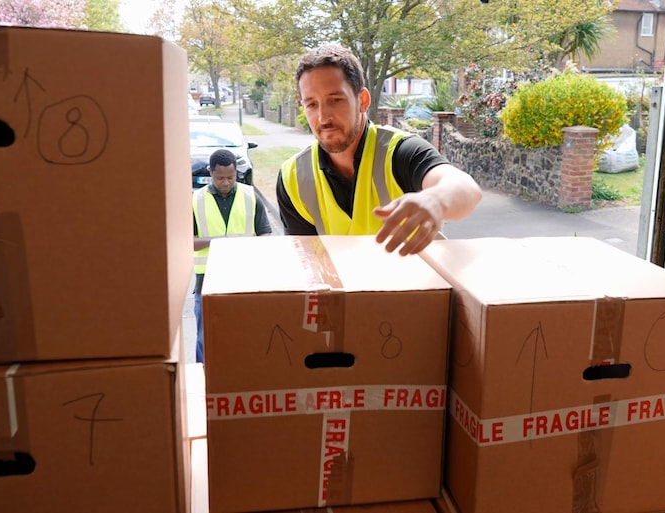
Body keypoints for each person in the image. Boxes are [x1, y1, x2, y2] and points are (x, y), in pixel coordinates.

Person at [276, 44, 482, 256]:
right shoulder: (293, 177)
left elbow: (466, 188)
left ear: (363, 100)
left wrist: (436, 200)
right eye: (311, 104)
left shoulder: (400, 151)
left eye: (335, 100)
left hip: (416, 286)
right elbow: (309, 263)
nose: (323, 117)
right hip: (342, 287)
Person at [193, 149, 271, 363]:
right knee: (205, 339)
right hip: (206, 281)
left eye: (230, 177)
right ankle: (203, 381)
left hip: (245, 280)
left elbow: (265, 233)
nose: (226, 182)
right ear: (211, 173)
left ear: (237, 172)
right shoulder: (196, 200)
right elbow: (185, 242)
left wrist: (250, 247)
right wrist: (219, 243)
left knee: (245, 336)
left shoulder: (250, 196)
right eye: (220, 178)